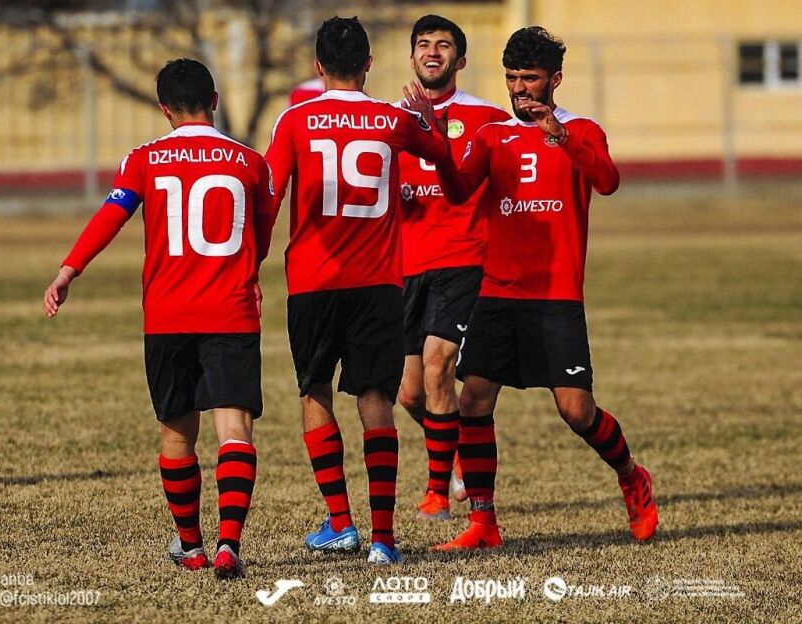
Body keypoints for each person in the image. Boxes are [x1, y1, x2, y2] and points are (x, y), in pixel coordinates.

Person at [43, 58, 276, 579]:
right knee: (234, 431)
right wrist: (248, 271)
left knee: (177, 435)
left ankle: (191, 547)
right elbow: (260, 233)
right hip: (231, 310)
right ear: (214, 101)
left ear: (164, 109)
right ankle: (229, 545)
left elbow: (111, 215)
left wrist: (68, 269)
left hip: (168, 315)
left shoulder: (144, 159)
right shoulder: (250, 161)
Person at [431, 26, 658, 550]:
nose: (519, 89)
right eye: (512, 78)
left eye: (529, 78)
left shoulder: (583, 129)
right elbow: (459, 189)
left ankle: (631, 476)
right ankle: (483, 524)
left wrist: (562, 137)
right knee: (474, 399)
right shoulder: (493, 136)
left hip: (555, 295)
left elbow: (608, 181)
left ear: (554, 79)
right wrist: (435, 144)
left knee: (576, 410)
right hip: (497, 291)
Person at [264, 16, 451, 564]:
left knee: (315, 392)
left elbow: (270, 198)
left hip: (314, 282)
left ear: (318, 66)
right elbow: (442, 156)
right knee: (375, 400)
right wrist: (429, 122)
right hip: (379, 284)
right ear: (369, 64)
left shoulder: (295, 121)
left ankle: (341, 524)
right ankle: (384, 541)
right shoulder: (393, 120)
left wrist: (250, 265)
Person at [395, 14, 510, 521]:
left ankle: (437, 493)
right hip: (405, 266)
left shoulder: (487, 118)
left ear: (460, 60)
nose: (432, 52)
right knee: (409, 393)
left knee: (439, 365)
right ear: (412, 57)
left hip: (463, 261)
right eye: (423, 44)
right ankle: (461, 448)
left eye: (443, 45)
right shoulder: (391, 120)